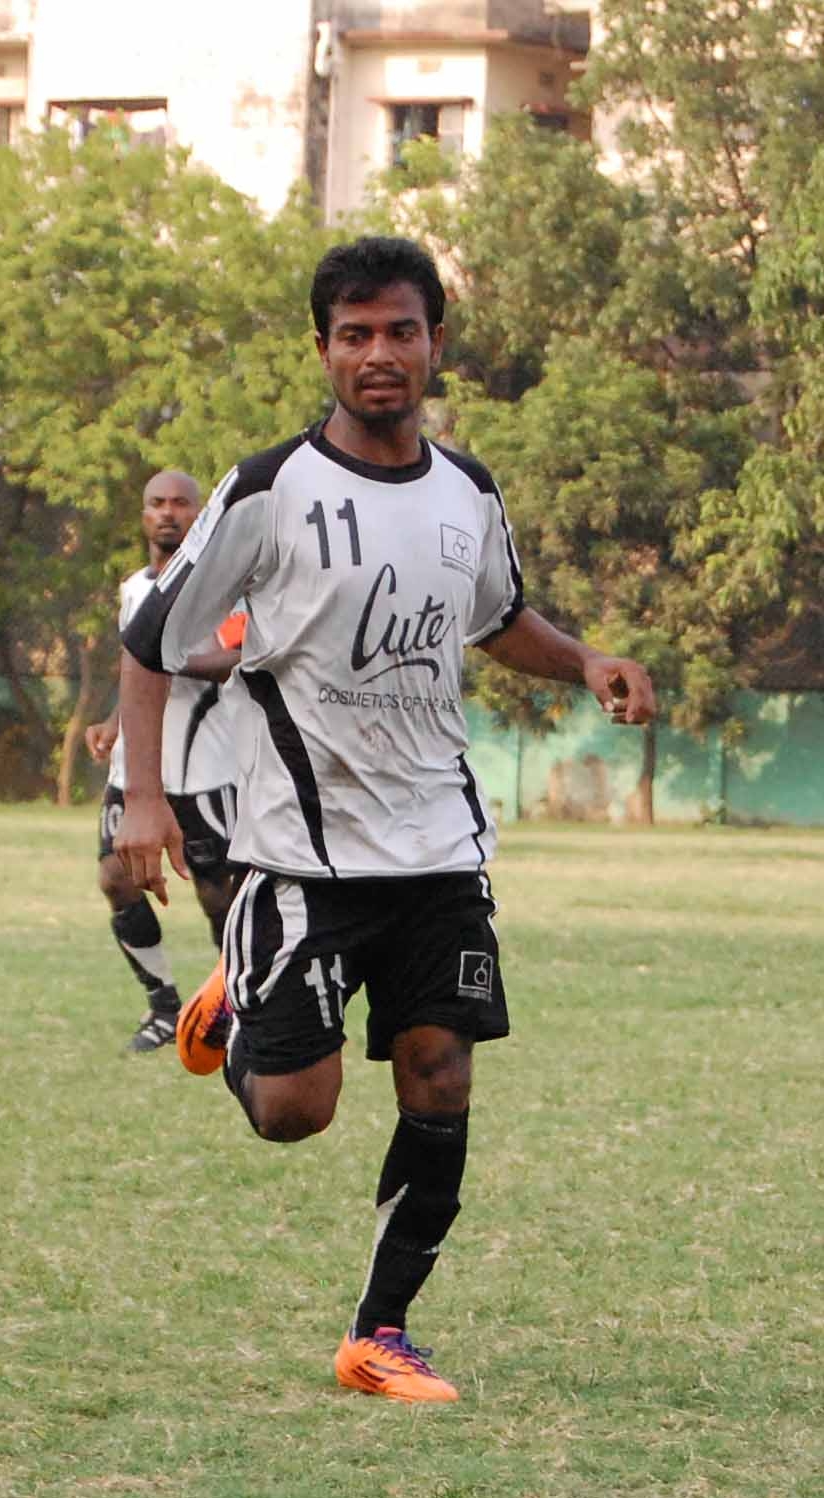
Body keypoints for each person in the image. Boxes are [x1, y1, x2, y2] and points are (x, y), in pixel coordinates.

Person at [114, 236, 654, 1404]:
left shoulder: (467, 491)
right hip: (304, 862)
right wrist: (147, 800)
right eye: (353, 334)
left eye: (398, 330)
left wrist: (585, 660)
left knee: (441, 1077)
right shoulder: (267, 491)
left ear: (434, 342)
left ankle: (379, 1334)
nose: (377, 354)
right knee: (295, 1115)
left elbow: (498, 618)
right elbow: (150, 639)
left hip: (440, 850)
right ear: (322, 349)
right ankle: (232, 1009)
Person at [83, 470, 244, 1051]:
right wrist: (112, 719)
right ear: (143, 515)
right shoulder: (133, 589)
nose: (168, 513)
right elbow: (134, 667)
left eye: (181, 503)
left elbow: (233, 658)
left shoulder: (225, 586)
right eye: (156, 503)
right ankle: (162, 1007)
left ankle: (234, 1013)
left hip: (204, 771)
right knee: (114, 879)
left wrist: (167, 656)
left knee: (220, 896)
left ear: (201, 514)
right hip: (133, 774)